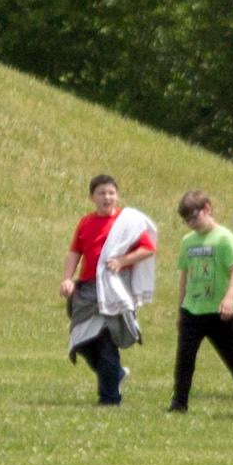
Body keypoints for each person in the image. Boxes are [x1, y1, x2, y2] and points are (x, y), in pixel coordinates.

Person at [63, 173, 159, 406]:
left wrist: (122, 261)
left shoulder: (126, 222)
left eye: (111, 193)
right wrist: (67, 278)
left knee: (105, 341)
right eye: (101, 193)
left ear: (117, 196)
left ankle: (110, 399)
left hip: (113, 290)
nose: (107, 197)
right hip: (86, 290)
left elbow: (148, 248)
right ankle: (115, 374)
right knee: (82, 340)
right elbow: (75, 252)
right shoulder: (85, 222)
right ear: (92, 197)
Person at [167, 192, 233, 412]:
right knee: (185, 359)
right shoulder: (188, 241)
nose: (191, 224)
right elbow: (185, 276)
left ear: (207, 208)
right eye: (186, 221)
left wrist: (228, 299)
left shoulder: (224, 237)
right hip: (192, 310)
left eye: (194, 217)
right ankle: (179, 403)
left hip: (219, 312)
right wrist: (180, 310)